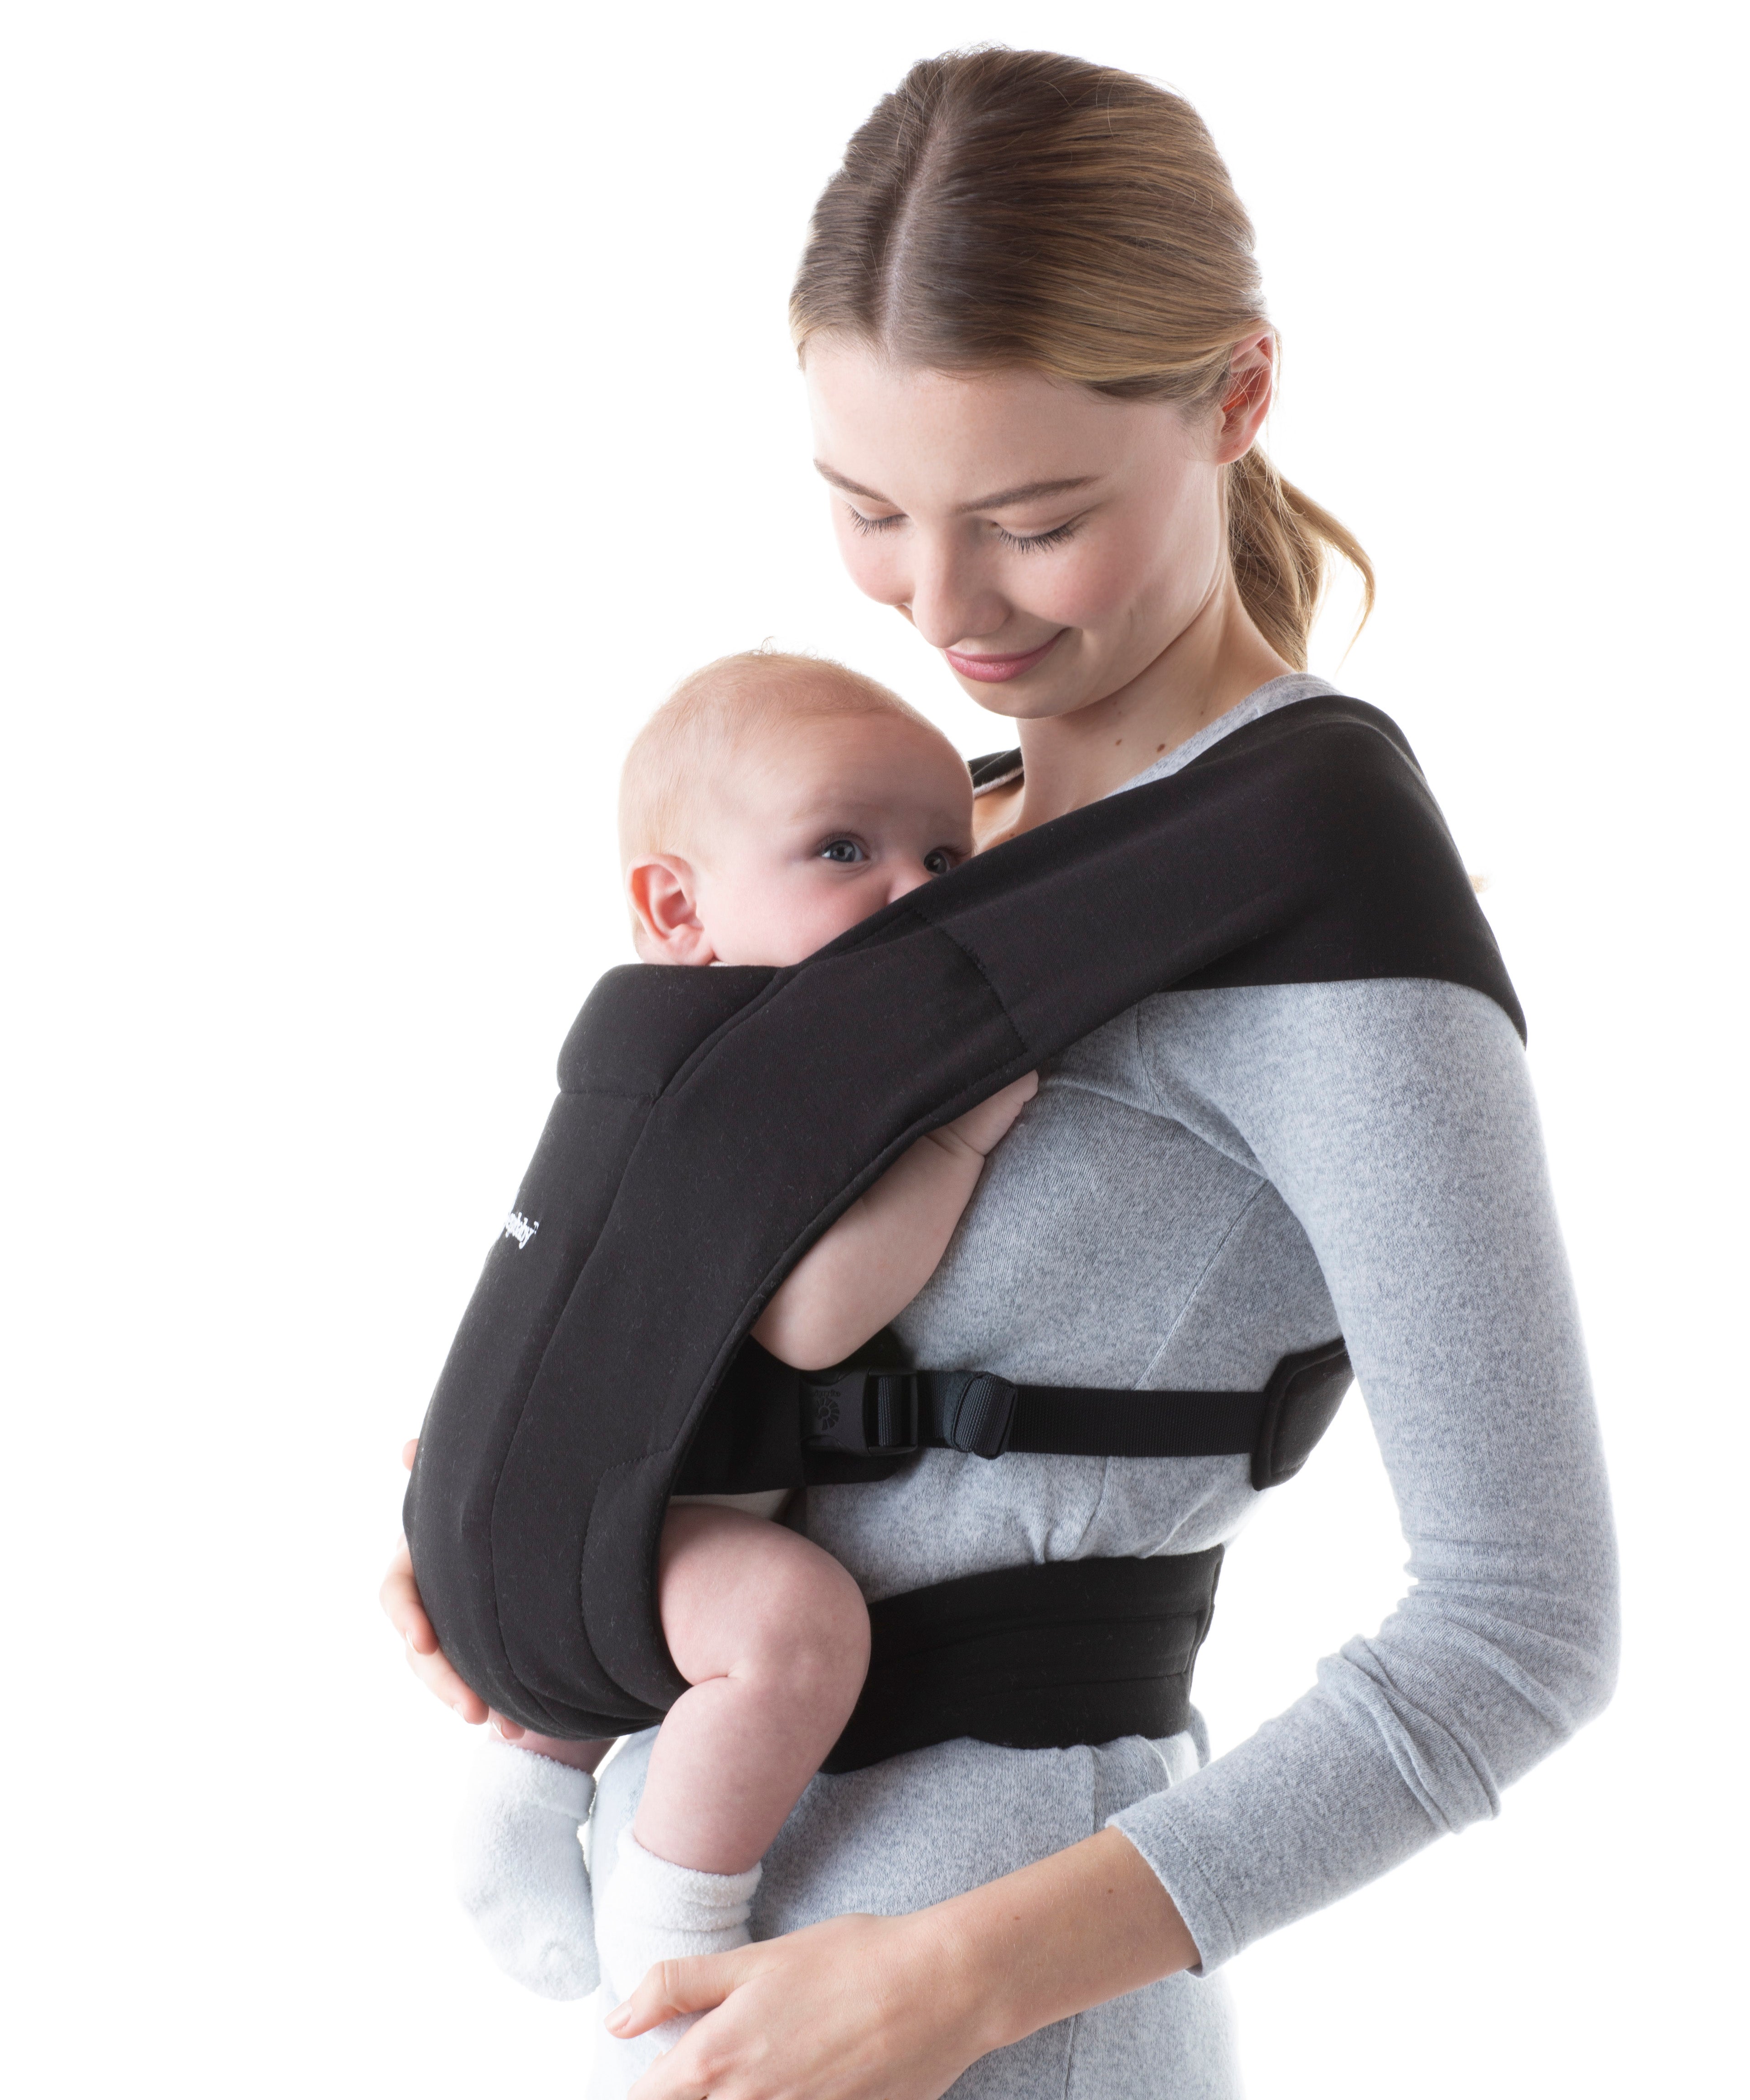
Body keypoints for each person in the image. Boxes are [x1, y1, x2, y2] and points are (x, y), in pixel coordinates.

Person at [383, 48, 1617, 2099]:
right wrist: (550, 1532)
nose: (940, 610)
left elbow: (1524, 1632)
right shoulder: (904, 853)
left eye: (1033, 524)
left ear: (1237, 399)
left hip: (984, 2023)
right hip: (728, 1975)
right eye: (868, 514)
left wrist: (960, 1981)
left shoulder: (1313, 908)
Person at [450, 649, 1035, 2082]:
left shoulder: (640, 1058)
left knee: (666, 1573)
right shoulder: (756, 1072)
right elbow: (814, 1324)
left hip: (522, 1512)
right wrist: (961, 1134)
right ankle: (677, 1917)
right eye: (846, 849)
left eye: (947, 855)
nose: (916, 891)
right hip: (617, 1530)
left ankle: (521, 1798)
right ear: (677, 907)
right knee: (795, 1632)